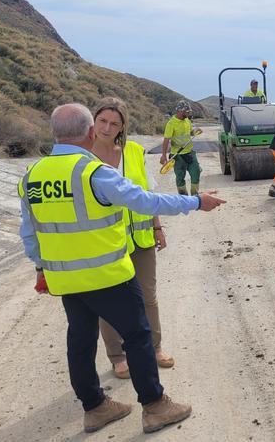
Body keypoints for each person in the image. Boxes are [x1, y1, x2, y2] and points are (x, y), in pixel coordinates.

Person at [19, 103, 226, 433]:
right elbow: (146, 201)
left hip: (66, 280)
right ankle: (156, 406)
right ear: (89, 131)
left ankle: (95, 408)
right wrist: (196, 202)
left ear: (54, 132)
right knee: (139, 336)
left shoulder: (32, 176)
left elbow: (30, 233)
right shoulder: (92, 173)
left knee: (81, 342)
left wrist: (42, 269)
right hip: (107, 275)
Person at [90, 97, 175, 379]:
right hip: (106, 244)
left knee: (147, 298)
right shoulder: (84, 155)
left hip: (140, 240)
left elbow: (147, 195)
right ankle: (117, 357)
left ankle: (155, 348)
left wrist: (157, 227)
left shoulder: (135, 152)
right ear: (93, 121)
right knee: (109, 303)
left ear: (122, 126)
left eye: (114, 123)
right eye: (102, 121)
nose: (106, 127)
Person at [160, 101, 202, 195]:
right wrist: (163, 155)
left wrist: (196, 132)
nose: (188, 113)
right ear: (180, 111)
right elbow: (166, 140)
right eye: (187, 112)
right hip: (177, 156)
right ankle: (184, 198)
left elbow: (190, 133)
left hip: (190, 153)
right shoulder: (171, 123)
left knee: (196, 172)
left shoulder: (187, 120)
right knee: (180, 178)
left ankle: (195, 196)